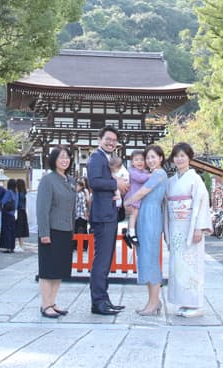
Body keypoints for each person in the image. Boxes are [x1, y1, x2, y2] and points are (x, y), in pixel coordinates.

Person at [166, 142, 212, 318]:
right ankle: (185, 302)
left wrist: (199, 227)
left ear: (189, 158)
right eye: (176, 156)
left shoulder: (195, 179)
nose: (179, 159)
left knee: (193, 264)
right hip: (176, 226)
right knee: (179, 265)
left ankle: (197, 304)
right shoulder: (171, 181)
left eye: (182, 156)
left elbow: (202, 203)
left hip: (190, 226)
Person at [87, 126, 127, 315]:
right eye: (107, 139)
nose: (111, 142)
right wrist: (115, 184)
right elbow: (93, 182)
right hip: (102, 215)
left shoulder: (107, 158)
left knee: (106, 259)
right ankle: (98, 302)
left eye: (114, 140)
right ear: (99, 139)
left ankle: (104, 297)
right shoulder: (96, 158)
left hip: (109, 214)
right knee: (102, 260)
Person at [123, 144, 167, 316]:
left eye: (153, 157)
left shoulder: (160, 174)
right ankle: (152, 301)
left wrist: (125, 203)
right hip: (143, 215)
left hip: (151, 216)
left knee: (151, 258)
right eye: (148, 158)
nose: (150, 161)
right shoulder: (150, 174)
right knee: (144, 258)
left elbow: (143, 192)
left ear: (161, 158)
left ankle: (155, 302)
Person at [36, 146, 76, 319]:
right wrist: (44, 232)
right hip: (51, 230)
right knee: (48, 269)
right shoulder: (48, 180)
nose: (65, 160)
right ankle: (45, 305)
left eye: (67, 157)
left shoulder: (69, 180)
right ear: (54, 160)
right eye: (61, 157)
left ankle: (53, 302)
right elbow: (42, 209)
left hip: (66, 230)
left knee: (59, 269)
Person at [122, 150, 149, 247]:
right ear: (132, 162)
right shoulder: (132, 171)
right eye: (136, 160)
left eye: (142, 159)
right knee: (134, 214)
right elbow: (140, 178)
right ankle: (131, 233)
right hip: (132, 197)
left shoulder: (144, 172)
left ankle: (128, 232)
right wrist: (150, 175)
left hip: (137, 197)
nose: (140, 162)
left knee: (135, 215)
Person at [0, 178, 19, 252]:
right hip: (13, 213)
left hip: (7, 213)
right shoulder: (16, 193)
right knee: (12, 231)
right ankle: (12, 247)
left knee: (6, 230)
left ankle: (7, 247)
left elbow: (3, 201)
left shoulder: (9, 192)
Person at [15, 178, 30, 252]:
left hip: (18, 211)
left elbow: (16, 203)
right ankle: (21, 244)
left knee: (18, 228)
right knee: (22, 228)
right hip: (23, 211)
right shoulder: (24, 192)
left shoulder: (18, 193)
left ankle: (19, 244)